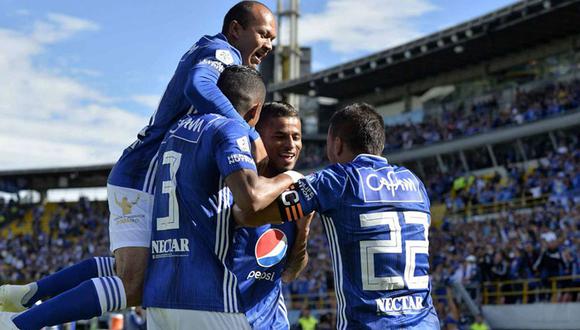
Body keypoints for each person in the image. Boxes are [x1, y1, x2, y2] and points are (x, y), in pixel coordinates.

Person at [0, 1, 276, 328]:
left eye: (273, 38)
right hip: (145, 172)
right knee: (133, 285)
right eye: (263, 34)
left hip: (147, 171)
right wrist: (247, 131)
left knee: (144, 267)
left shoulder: (213, 51)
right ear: (235, 30)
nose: (269, 45)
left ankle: (30, 296)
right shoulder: (222, 53)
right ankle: (20, 325)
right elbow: (197, 85)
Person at [235, 103, 440, 329]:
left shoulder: (337, 180)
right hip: (425, 322)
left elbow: (250, 214)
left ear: (337, 144)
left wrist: (290, 178)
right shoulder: (415, 183)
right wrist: (302, 229)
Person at [142, 66, 301, 329]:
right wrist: (291, 178)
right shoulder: (229, 129)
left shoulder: (175, 131)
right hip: (210, 298)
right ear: (254, 112)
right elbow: (250, 200)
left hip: (162, 297)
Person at [231, 102, 312, 329]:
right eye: (280, 136)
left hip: (272, 322)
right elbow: (250, 205)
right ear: (258, 137)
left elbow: (289, 274)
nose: (291, 145)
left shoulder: (294, 197)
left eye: (296, 137)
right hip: (229, 318)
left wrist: (302, 230)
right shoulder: (236, 187)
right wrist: (292, 176)